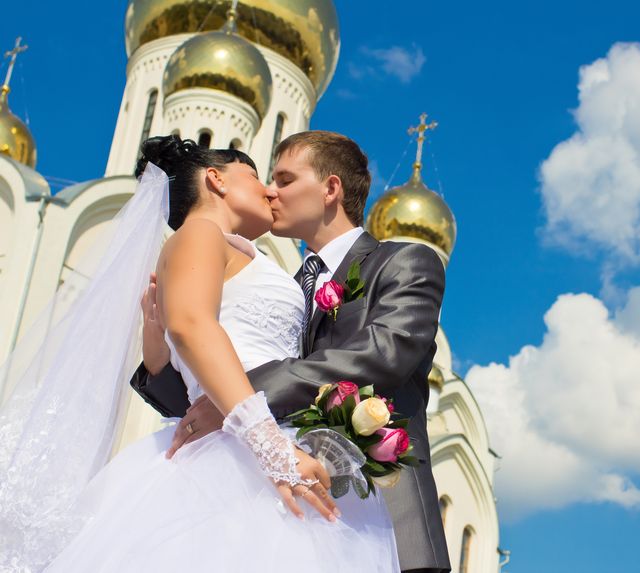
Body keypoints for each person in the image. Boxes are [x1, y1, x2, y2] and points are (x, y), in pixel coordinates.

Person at [4, 135, 400, 571]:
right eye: (256, 176)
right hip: (241, 454)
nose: (269, 191)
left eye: (280, 180)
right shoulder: (200, 232)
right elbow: (192, 325)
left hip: (257, 436)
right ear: (216, 180)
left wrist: (159, 354)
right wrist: (272, 448)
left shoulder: (235, 251)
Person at [133, 130, 452, 573]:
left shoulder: (402, 262)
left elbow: (385, 352)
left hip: (384, 517)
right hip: (278, 499)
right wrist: (160, 364)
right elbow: (204, 406)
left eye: (284, 180)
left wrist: (243, 398)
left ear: (330, 189)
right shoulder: (281, 284)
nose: (270, 190)